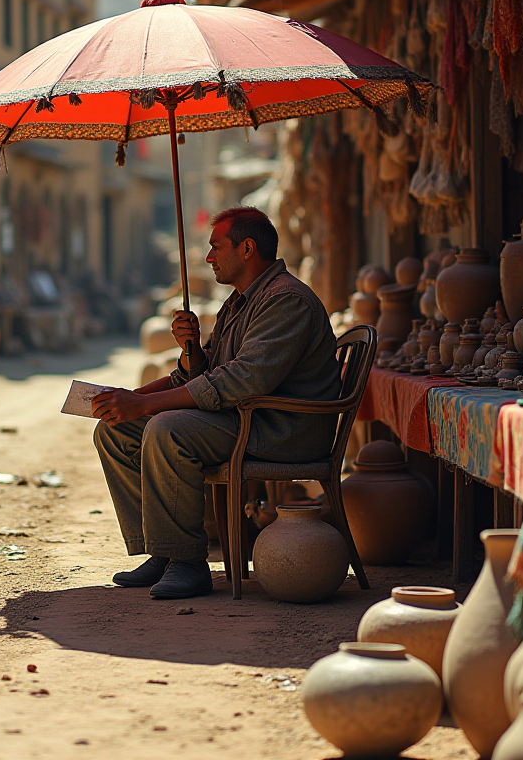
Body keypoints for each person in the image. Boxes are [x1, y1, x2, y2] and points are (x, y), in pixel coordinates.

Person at [92, 206, 340, 600]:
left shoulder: (286, 300)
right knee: (116, 430)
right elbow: (198, 377)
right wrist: (184, 356)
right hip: (241, 419)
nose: (208, 258)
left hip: (281, 429)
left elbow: (241, 380)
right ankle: (162, 550)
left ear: (246, 248)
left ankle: (189, 562)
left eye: (215, 247)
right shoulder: (238, 302)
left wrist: (144, 406)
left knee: (166, 427)